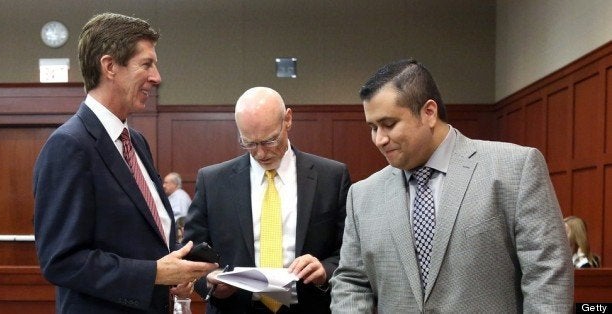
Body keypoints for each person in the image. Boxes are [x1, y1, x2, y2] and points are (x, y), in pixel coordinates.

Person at [329, 59, 574, 313]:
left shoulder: (514, 168)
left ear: (429, 112)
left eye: (389, 124)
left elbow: (547, 275)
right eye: (373, 127)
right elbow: (351, 282)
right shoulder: (362, 195)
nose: (379, 139)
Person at [33, 12, 217, 313]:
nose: (157, 77)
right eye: (146, 64)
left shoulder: (136, 142)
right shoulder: (69, 146)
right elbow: (61, 261)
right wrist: (154, 274)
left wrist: (177, 271)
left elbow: (143, 237)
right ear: (110, 67)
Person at [181, 87, 351, 313]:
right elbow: (191, 253)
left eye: (270, 141)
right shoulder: (212, 181)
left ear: (288, 120)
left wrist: (325, 271)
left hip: (309, 306)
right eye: (249, 143)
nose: (261, 153)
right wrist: (209, 282)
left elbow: (349, 253)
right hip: (235, 308)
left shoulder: (331, 177)